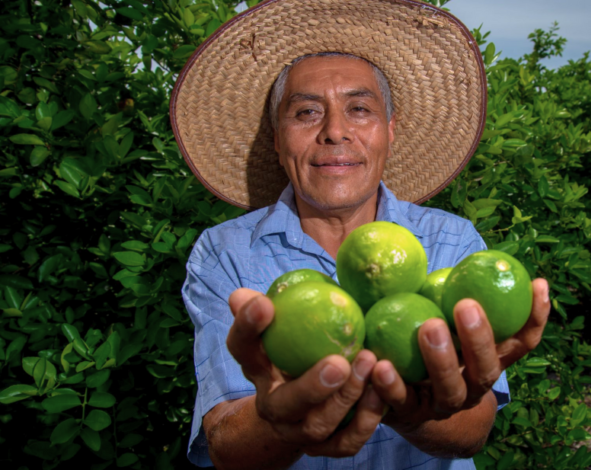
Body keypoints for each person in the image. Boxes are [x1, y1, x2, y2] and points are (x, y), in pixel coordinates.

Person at [170, 1, 550, 469]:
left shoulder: (451, 242)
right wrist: (278, 424)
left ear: (390, 130)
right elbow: (226, 442)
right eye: (307, 112)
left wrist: (412, 413)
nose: (335, 131)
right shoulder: (224, 252)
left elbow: (473, 428)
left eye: (359, 108)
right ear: (276, 136)